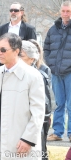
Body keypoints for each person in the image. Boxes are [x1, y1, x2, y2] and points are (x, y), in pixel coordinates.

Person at [0, 33, 45, 160]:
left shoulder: (33, 76)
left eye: (3, 49)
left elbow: (38, 112)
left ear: (16, 51)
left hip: (20, 146)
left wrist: (28, 139)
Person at [44, 1, 71, 142]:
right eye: (64, 11)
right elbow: (46, 47)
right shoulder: (53, 29)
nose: (66, 14)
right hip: (56, 72)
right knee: (59, 104)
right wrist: (51, 64)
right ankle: (57, 132)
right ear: (60, 12)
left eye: (68, 11)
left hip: (70, 73)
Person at [20, 40, 52, 160]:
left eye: (21, 55)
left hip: (38, 122)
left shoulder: (41, 72)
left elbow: (45, 104)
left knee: (40, 151)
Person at [0, 2, 37, 67]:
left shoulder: (29, 29)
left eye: (16, 10)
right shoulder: (1, 29)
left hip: (23, 66)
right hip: (4, 66)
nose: (13, 12)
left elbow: (33, 50)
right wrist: (0, 64)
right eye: (11, 10)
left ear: (21, 13)